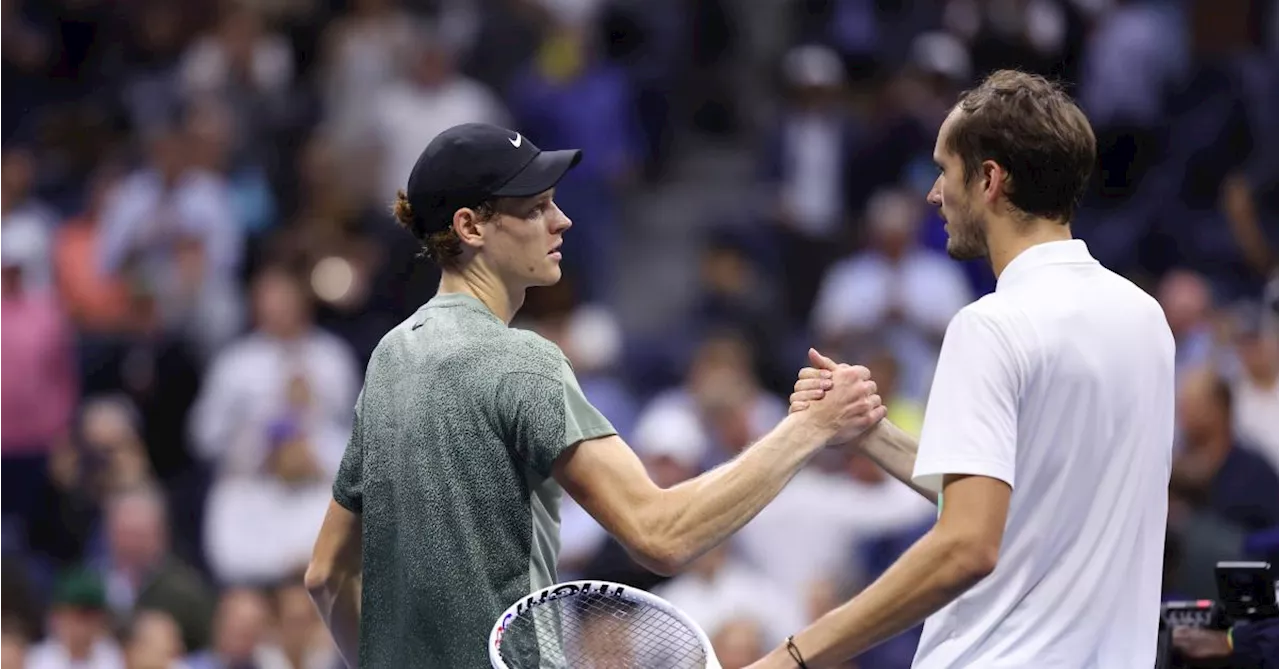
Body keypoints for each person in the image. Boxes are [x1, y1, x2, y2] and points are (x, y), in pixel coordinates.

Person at [302, 123, 886, 668]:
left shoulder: (390, 357)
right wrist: (810, 428)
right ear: (470, 227)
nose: (562, 222)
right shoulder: (522, 362)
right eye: (535, 208)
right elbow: (662, 535)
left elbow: (326, 574)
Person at [753, 70, 1176, 668]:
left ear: (989, 179)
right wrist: (869, 433)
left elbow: (968, 546)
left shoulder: (990, 326)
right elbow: (1015, 500)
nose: (933, 195)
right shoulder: (1146, 319)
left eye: (943, 171)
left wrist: (794, 654)